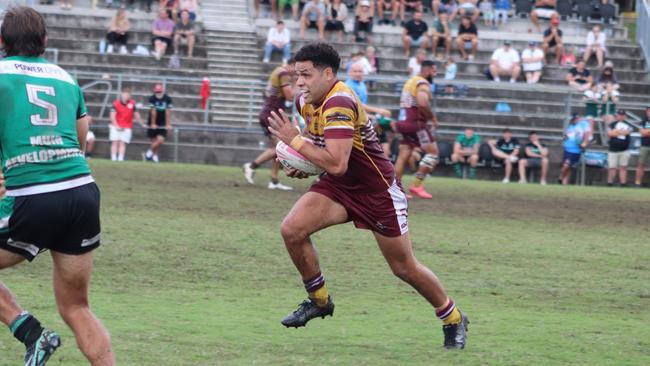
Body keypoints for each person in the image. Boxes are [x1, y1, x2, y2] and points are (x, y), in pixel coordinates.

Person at [267, 42, 468, 349]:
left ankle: (453, 317)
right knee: (292, 230)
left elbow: (336, 162)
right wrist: (300, 163)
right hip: (340, 187)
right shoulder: (304, 102)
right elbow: (317, 144)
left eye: (306, 75)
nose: (299, 82)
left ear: (328, 73)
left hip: (377, 192)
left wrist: (295, 140)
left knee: (404, 268)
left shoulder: (340, 102)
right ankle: (319, 300)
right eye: (297, 75)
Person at [0, 7, 114, 365]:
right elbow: (80, 140)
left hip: (32, 195)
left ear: (1, 41)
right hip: (81, 192)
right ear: (45, 41)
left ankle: (31, 332)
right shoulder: (66, 78)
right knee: (77, 306)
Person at [243, 60, 296, 190]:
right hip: (272, 115)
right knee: (281, 147)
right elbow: (290, 96)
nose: (297, 71)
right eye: (297, 68)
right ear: (292, 64)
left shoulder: (277, 71)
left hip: (270, 113)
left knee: (279, 147)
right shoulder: (283, 73)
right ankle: (251, 166)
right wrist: (298, 85)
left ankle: (274, 180)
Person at [393, 60, 440, 199]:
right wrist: (432, 118)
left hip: (403, 122)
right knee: (433, 153)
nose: (435, 74)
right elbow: (422, 102)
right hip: (416, 123)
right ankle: (417, 185)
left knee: (403, 156)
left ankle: (396, 191)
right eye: (434, 71)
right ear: (428, 69)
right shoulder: (422, 83)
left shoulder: (410, 81)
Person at [110, 87, 142, 162]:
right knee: (115, 142)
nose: (126, 96)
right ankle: (113, 159)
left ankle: (120, 159)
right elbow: (112, 116)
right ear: (122, 95)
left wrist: (141, 123)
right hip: (116, 126)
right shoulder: (115, 103)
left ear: (130, 96)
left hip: (127, 127)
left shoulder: (132, 103)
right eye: (125, 94)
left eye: (128, 95)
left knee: (122, 142)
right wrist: (116, 126)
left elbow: (136, 114)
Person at [558, 113, 591, 185]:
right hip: (567, 149)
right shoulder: (570, 126)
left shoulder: (583, 124)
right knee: (568, 166)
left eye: (577, 118)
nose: (576, 120)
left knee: (567, 165)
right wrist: (564, 138)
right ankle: (564, 182)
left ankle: (561, 177)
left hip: (575, 150)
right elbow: (566, 136)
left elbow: (587, 134)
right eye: (574, 119)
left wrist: (584, 143)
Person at [144, 83, 173, 162]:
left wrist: (168, 124)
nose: (158, 93)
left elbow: (168, 112)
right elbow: (153, 112)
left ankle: (148, 153)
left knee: (160, 140)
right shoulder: (151, 98)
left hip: (162, 121)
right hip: (152, 120)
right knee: (154, 140)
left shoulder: (168, 99)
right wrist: (153, 123)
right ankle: (155, 157)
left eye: (160, 91)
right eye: (157, 92)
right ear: (154, 91)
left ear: (163, 90)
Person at [606, 110, 633, 186]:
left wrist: (616, 132)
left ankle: (623, 183)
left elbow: (628, 132)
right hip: (613, 149)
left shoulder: (628, 124)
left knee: (623, 167)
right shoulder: (612, 124)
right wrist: (621, 132)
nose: (621, 116)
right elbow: (610, 134)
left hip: (624, 149)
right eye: (619, 115)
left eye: (622, 115)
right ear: (617, 116)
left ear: (625, 116)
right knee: (612, 167)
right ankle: (610, 183)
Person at [634, 107, 650, 187]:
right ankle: (637, 182)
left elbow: (645, 132)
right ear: (646, 112)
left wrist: (646, 131)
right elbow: (642, 132)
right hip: (644, 145)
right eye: (648, 111)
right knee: (641, 164)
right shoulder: (643, 121)